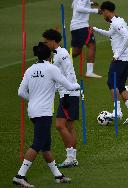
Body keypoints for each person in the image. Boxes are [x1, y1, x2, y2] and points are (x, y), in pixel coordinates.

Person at [13, 42, 80, 187]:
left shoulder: (30, 70)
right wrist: (78, 86)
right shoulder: (51, 69)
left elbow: (21, 92)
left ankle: (58, 176)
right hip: (44, 112)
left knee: (45, 146)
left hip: (32, 111)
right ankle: (20, 175)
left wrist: (33, 99)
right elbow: (69, 85)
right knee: (38, 144)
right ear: (49, 55)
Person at [92, 1, 128, 124]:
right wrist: (94, 29)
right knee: (121, 85)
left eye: (103, 13)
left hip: (121, 59)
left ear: (107, 11)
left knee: (111, 83)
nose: (103, 16)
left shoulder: (117, 22)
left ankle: (117, 111)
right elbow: (110, 34)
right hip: (125, 59)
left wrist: (117, 54)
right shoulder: (116, 21)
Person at [42, 29, 80, 168]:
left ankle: (71, 157)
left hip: (68, 93)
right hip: (68, 93)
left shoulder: (62, 54)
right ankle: (72, 158)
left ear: (52, 41)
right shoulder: (56, 54)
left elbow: (69, 72)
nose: (45, 44)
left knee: (59, 125)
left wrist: (66, 93)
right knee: (69, 126)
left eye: (46, 42)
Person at [70, 0, 102, 78]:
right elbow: (79, 8)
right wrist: (95, 10)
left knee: (77, 51)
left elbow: (73, 5)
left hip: (74, 26)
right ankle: (89, 72)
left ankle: (59, 59)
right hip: (82, 25)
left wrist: (90, 3)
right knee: (91, 45)